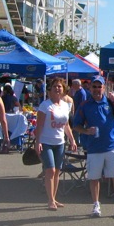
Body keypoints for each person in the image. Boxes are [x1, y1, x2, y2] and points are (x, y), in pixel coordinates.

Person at [73, 75, 114, 218]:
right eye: (94, 86)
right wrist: (86, 131)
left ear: (104, 88)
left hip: (112, 146)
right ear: (90, 87)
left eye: (99, 86)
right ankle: (96, 205)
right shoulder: (85, 105)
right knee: (94, 178)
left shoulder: (111, 102)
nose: (97, 89)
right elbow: (76, 125)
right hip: (94, 147)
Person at [35, 78, 77, 210]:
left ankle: (54, 197)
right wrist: (37, 142)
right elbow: (39, 125)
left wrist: (72, 140)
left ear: (63, 89)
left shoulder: (65, 105)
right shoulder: (45, 105)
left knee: (57, 171)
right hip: (46, 142)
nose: (57, 89)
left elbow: (66, 125)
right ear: (50, 90)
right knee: (50, 170)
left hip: (60, 142)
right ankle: (50, 200)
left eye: (59, 87)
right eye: (55, 87)